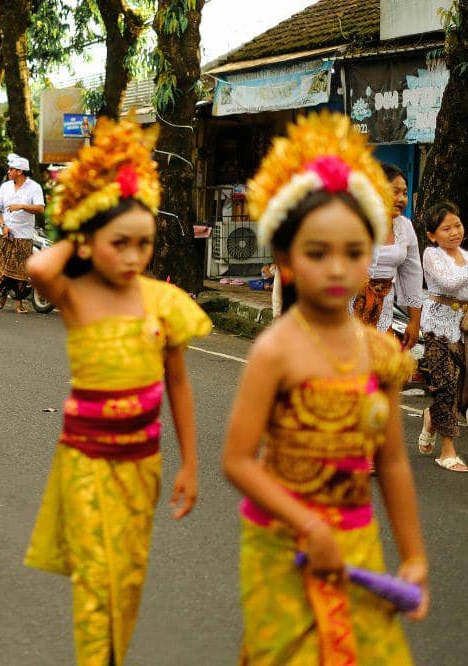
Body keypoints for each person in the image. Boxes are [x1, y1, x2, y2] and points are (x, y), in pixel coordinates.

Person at [221, 112, 427, 664]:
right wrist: (308, 525)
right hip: (282, 543)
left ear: (372, 254)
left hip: (355, 540)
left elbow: (393, 463)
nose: (337, 268)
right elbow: (238, 461)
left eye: (354, 252)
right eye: (317, 253)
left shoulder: (382, 354)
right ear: (285, 260)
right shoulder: (275, 351)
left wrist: (412, 556)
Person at [23, 119, 210, 665]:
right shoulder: (75, 295)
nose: (133, 256)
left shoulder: (164, 302)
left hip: (140, 465)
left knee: (126, 577)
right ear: (88, 241)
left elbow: (178, 384)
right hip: (83, 460)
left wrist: (190, 464)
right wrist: (81, 219)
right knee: (94, 576)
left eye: (144, 243)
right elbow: (38, 264)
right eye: (119, 243)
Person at [416, 202, 468, 472]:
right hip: (436, 328)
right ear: (432, 235)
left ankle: (430, 417)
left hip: (462, 329)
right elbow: (449, 283)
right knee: (445, 385)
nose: (454, 232)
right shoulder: (432, 255)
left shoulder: (465, 256)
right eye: (446, 228)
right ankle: (448, 451)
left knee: (459, 392)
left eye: (457, 225)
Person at [351, 163, 423, 346]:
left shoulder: (405, 227)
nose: (401, 198)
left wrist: (414, 323)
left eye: (405, 193)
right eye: (395, 191)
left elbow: (412, 276)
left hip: (384, 311)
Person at [0, 153, 45, 313]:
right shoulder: (5, 187)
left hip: (24, 236)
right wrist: (3, 225)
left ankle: (19, 304)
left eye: (11, 169)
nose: (8, 172)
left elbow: (41, 208)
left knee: (21, 272)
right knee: (1, 268)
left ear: (20, 172)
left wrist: (21, 206)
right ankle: (1, 296)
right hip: (6, 234)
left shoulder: (34, 188)